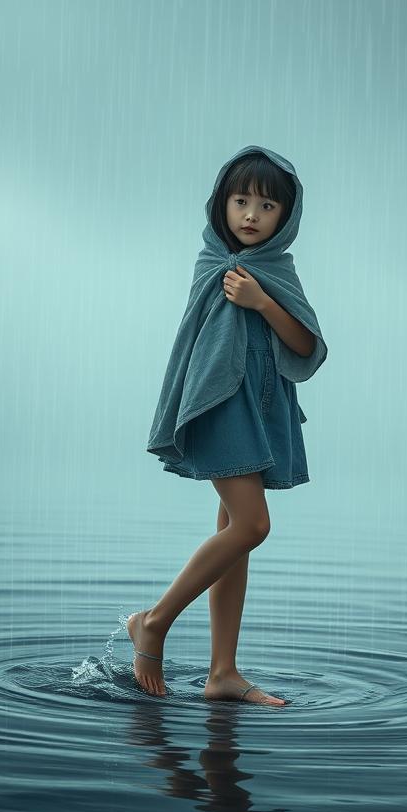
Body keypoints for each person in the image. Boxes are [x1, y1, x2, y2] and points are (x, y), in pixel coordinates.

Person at [131, 146, 328, 705]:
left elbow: (305, 346)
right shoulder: (212, 263)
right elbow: (198, 351)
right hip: (220, 405)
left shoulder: (274, 272)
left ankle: (223, 673)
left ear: (285, 218)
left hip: (262, 408)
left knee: (233, 534)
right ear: (221, 204)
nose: (250, 214)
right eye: (240, 201)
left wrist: (263, 302)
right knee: (252, 526)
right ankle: (155, 621)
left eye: (267, 206)